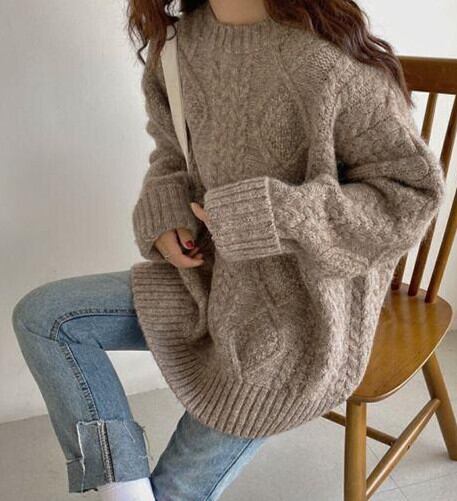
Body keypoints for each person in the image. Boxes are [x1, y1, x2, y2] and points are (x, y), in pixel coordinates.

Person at [12, 1, 446, 500]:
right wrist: (166, 211)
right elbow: (173, 154)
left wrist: (275, 214)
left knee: (172, 493)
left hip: (301, 315)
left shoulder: (329, 63)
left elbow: (410, 196)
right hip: (207, 279)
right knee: (44, 318)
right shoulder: (176, 49)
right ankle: (122, 487)